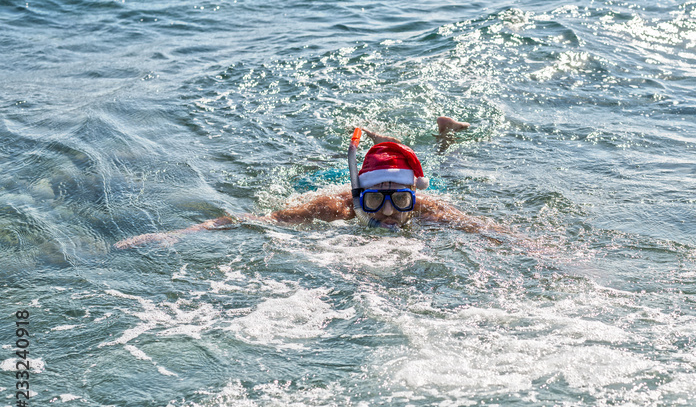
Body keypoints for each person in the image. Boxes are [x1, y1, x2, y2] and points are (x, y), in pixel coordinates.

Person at [113, 117, 496, 249]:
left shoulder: (425, 206)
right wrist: (178, 233)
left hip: (407, 180)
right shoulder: (333, 207)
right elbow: (258, 217)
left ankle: (445, 135)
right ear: (359, 196)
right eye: (377, 201)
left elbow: (486, 230)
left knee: (450, 168)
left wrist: (541, 252)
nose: (390, 213)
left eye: (399, 200)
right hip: (327, 182)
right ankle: (379, 143)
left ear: (412, 196)